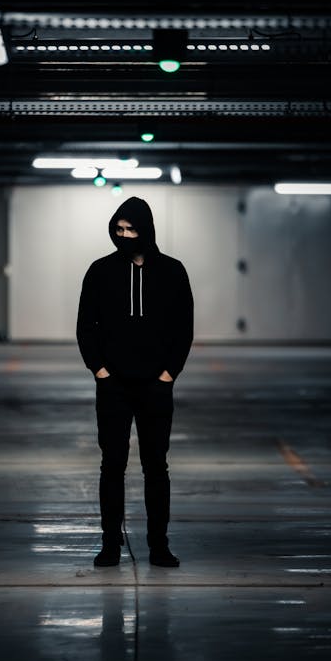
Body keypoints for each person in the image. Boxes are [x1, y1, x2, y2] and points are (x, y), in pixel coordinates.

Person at [76, 196, 194, 567]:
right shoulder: (100, 271)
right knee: (112, 465)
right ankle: (110, 544)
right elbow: (85, 326)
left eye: (130, 229)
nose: (123, 236)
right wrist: (100, 371)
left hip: (155, 386)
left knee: (156, 467)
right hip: (113, 387)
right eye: (118, 230)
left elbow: (183, 328)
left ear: (146, 230)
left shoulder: (173, 272)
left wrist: (167, 375)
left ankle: (158, 546)